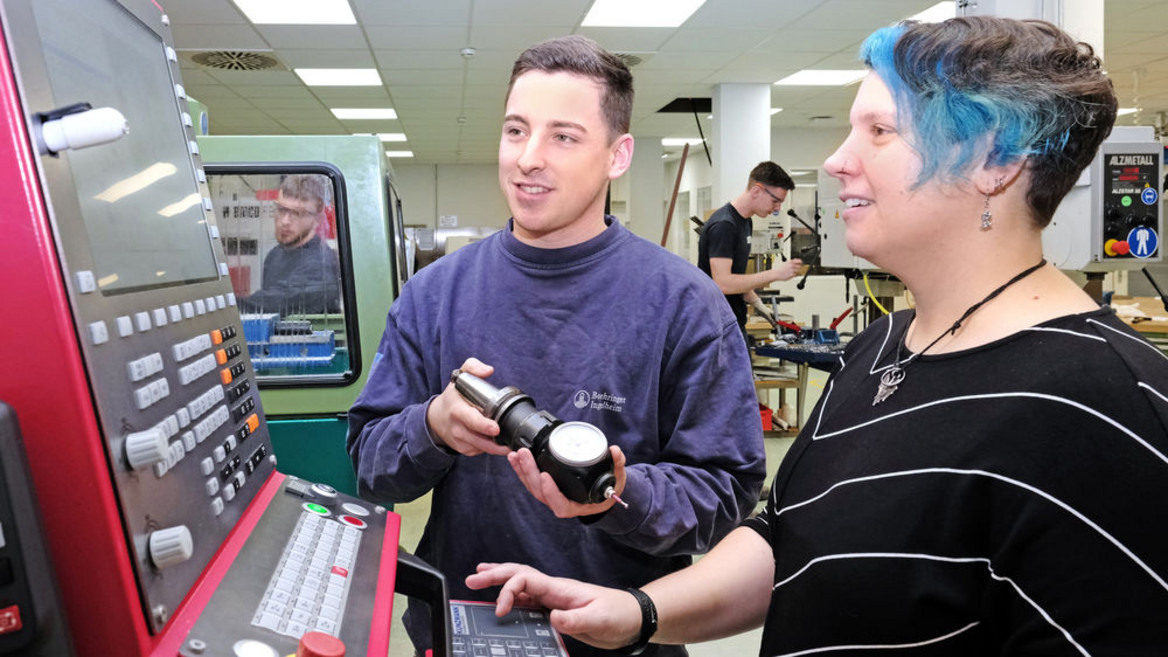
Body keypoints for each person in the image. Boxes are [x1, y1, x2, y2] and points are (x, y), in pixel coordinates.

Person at [466, 16, 1168, 655]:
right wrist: (638, 610)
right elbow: (788, 536)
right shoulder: (884, 347)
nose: (835, 160)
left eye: (879, 131)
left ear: (997, 163)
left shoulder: (1105, 410)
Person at [347, 35, 766, 657]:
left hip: (622, 642)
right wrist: (433, 426)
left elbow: (727, 494)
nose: (528, 158)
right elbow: (370, 464)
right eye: (516, 131)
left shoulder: (684, 304)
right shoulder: (434, 295)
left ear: (617, 155)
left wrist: (612, 495)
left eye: (563, 137)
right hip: (464, 625)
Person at [697, 161, 803, 341]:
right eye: (775, 201)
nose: (777, 208)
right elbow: (723, 283)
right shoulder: (725, 225)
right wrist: (776, 273)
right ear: (756, 190)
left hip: (733, 321)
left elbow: (736, 276)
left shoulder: (745, 221)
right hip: (717, 326)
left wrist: (757, 302)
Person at [237, 173, 342, 316]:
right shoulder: (275, 255)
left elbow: (273, 305)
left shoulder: (320, 265)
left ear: (316, 219)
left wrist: (224, 308)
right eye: (281, 210)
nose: (285, 221)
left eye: (297, 213)